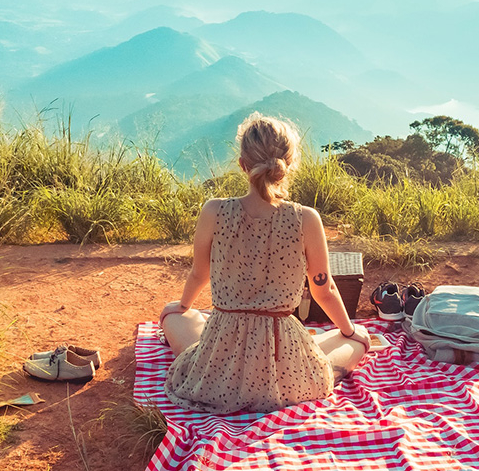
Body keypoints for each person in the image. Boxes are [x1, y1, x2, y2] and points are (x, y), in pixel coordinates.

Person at [158, 112, 371, 415]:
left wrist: (181, 305)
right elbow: (325, 290)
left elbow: (198, 274)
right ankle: (337, 343)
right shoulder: (306, 218)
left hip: (222, 354)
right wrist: (350, 330)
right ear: (289, 166)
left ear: (243, 165)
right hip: (284, 360)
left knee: (173, 317)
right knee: (356, 340)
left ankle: (193, 327)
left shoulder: (213, 211)